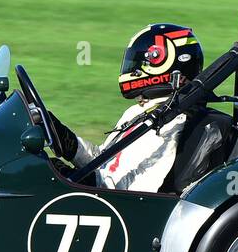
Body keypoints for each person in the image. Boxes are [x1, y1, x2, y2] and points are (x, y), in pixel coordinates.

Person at [48, 23, 204, 193]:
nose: (130, 70)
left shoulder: (170, 123)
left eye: (137, 63)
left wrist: (60, 173)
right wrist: (58, 133)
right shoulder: (141, 112)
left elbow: (129, 189)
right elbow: (101, 161)